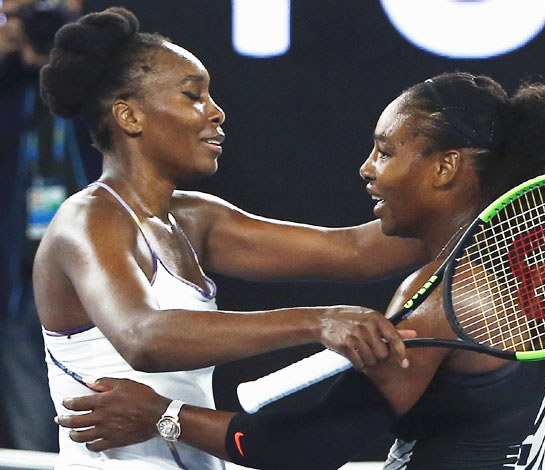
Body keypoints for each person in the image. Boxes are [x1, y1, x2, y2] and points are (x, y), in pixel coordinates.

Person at [56, 70, 545, 470]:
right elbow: (355, 252)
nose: (367, 169)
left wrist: (165, 416)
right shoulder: (518, 276)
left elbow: (306, 449)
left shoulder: (447, 296)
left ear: (446, 168)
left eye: (385, 150)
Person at [34, 7, 430, 470]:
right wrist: (317, 321)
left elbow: (356, 252)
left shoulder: (195, 218)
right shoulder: (87, 219)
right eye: (193, 96)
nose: (216, 112)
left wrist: (475, 202)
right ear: (129, 116)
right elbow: (143, 338)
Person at [0, 0, 89, 452]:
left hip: (93, 276)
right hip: (17, 276)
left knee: (97, 417)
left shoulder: (101, 72)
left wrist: (66, 57)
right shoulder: (8, 82)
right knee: (34, 427)